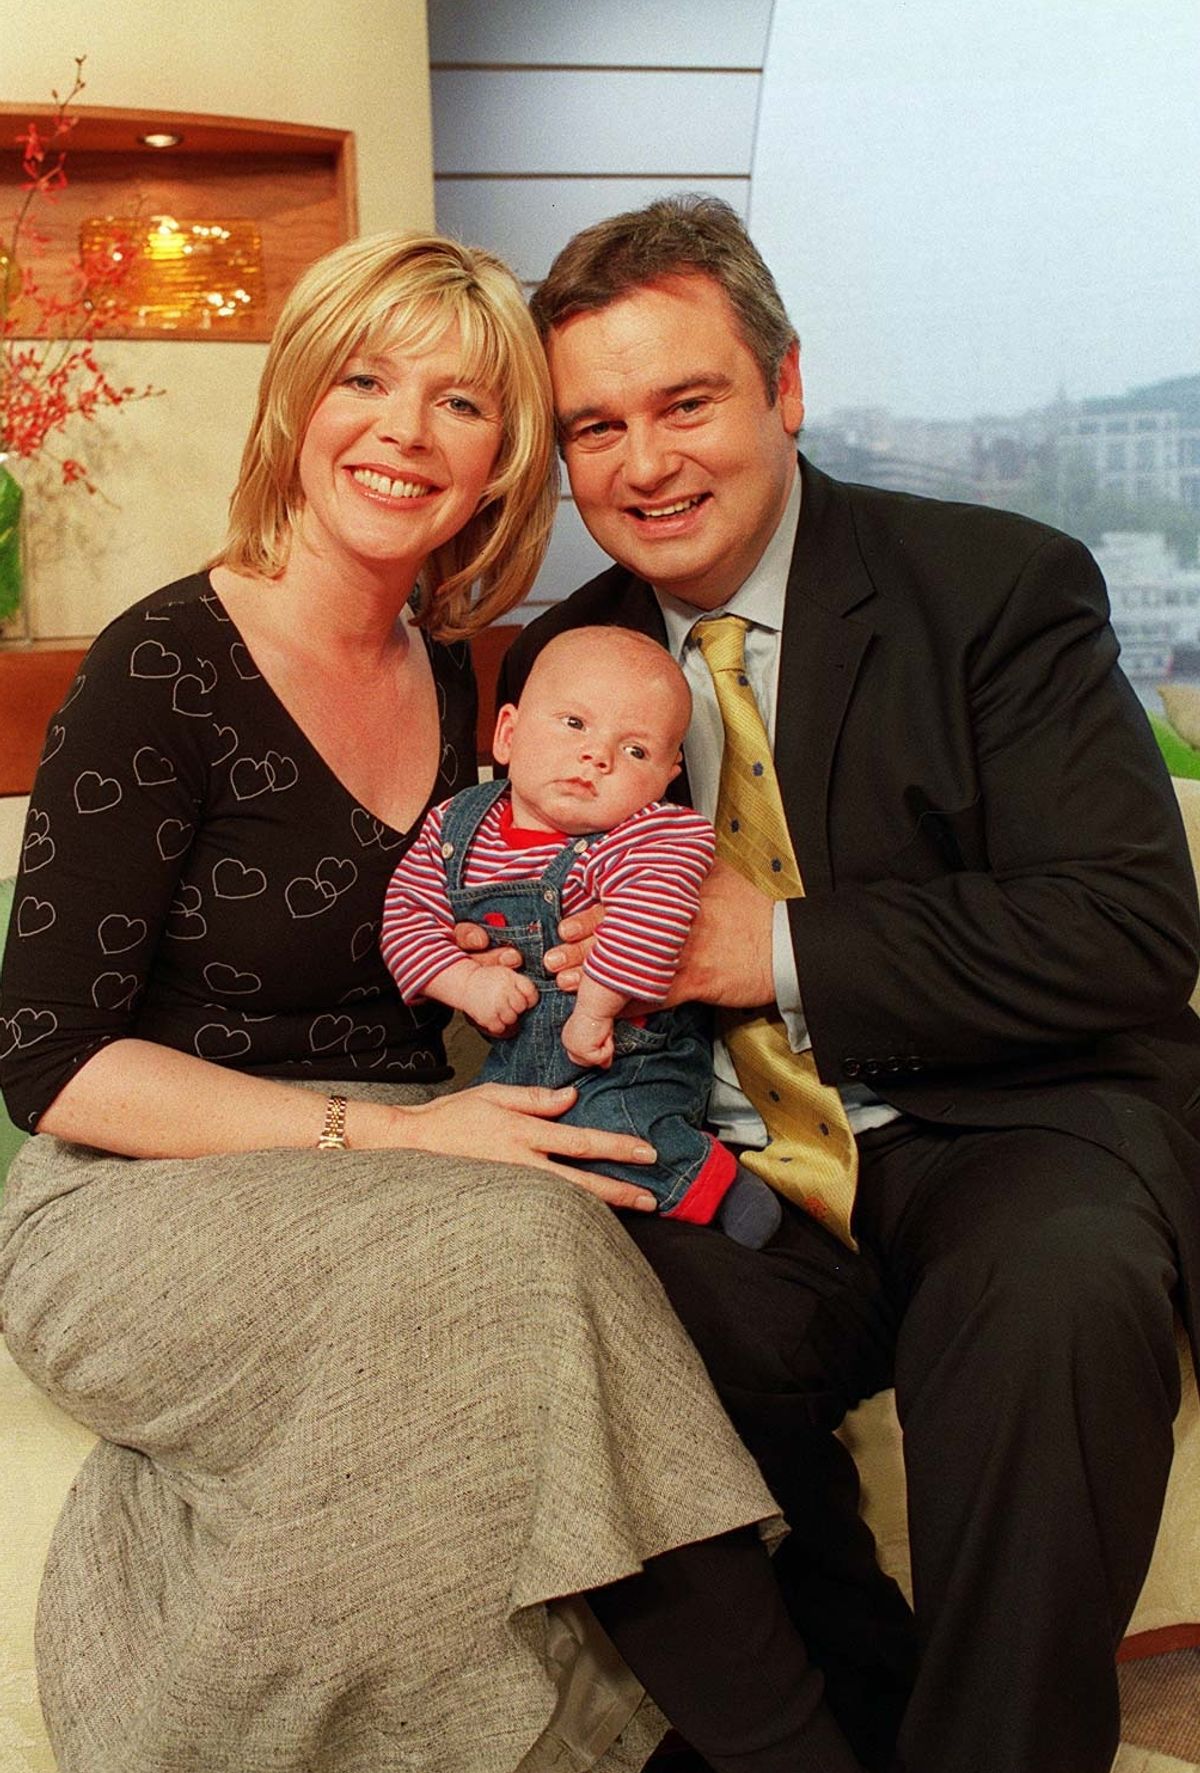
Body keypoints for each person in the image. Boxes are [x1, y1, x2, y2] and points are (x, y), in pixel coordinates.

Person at [0, 229, 866, 1773]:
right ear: (299, 405)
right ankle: (811, 1739)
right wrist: (396, 1141)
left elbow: (588, 892)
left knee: (601, 1243)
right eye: (365, 378)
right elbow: (52, 1062)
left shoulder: (484, 678)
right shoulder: (162, 667)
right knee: (525, 1247)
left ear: (501, 462)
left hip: (427, 1151)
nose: (404, 429)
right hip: (132, 1193)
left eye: (461, 404)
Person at [496, 195, 1200, 1773]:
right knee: (591, 1314)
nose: (645, 462)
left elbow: (1132, 927)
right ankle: (858, 1723)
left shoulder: (999, 586)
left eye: (686, 402)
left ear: (785, 388)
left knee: (1062, 1291)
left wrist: (777, 948)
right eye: (595, 427)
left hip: (1013, 1127)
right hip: (728, 1157)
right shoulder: (567, 660)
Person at [381, 623, 782, 1247]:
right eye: (574, 724)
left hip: (626, 1051)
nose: (598, 757)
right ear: (508, 734)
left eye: (636, 752)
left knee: (620, 1125)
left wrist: (594, 1011)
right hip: (518, 1057)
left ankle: (707, 1179)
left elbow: (652, 917)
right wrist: (465, 983)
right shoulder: (457, 825)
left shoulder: (651, 836)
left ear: (667, 777)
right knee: (487, 1147)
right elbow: (406, 916)